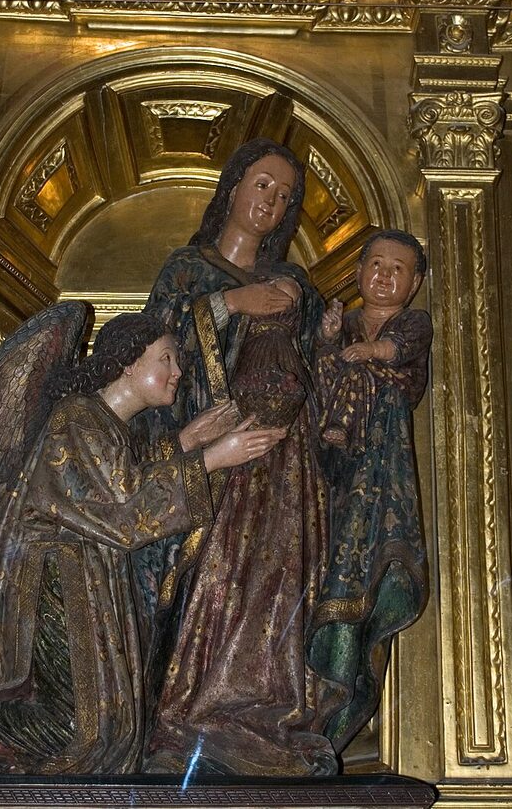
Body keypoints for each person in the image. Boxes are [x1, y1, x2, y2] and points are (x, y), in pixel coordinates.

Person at [0, 312, 286, 775]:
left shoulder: (103, 424)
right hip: (54, 584)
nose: (177, 372)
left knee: (113, 733)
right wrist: (209, 459)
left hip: (87, 580)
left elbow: (121, 476)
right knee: (83, 729)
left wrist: (185, 441)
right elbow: (122, 510)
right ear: (127, 363)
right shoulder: (76, 416)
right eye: (166, 358)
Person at [142, 138, 339, 776]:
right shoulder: (188, 268)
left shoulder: (293, 283)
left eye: (284, 197)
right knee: (213, 573)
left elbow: (309, 367)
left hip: (286, 461)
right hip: (216, 453)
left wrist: (328, 341)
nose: (272, 203)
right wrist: (229, 305)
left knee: (280, 580)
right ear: (232, 188)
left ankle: (269, 715)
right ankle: (190, 710)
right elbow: (155, 346)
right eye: (263, 185)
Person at [308, 229, 432, 752]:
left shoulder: (411, 322)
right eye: (375, 265)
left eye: (397, 268)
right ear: (358, 273)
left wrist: (365, 351)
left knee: (364, 582)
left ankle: (339, 715)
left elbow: (400, 348)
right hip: (335, 471)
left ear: (417, 281)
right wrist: (329, 338)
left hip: (379, 477)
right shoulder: (350, 322)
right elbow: (320, 367)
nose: (383, 275)